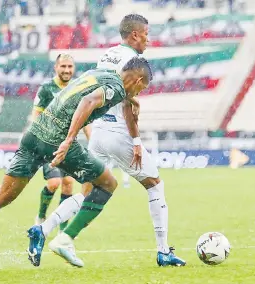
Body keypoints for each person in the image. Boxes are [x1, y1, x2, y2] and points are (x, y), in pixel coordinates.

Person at [0, 56, 152, 277]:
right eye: (142, 88)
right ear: (138, 79)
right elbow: (89, 102)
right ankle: (65, 239)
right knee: (107, 184)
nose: (139, 93)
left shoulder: (101, 74)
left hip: (34, 134)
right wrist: (68, 139)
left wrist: (131, 102)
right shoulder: (117, 88)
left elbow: (88, 94)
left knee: (3, 195)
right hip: (57, 140)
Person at [28, 14, 186, 268]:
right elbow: (127, 102)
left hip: (98, 129)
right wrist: (135, 140)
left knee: (88, 190)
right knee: (155, 185)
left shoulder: (108, 55)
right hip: (118, 133)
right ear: (134, 34)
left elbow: (98, 91)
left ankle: (43, 230)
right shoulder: (135, 62)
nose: (148, 37)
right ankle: (163, 251)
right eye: (146, 32)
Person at [32, 53, 90, 232]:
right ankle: (41, 215)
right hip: (49, 144)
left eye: (69, 67)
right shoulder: (46, 89)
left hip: (69, 145)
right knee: (54, 183)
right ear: (55, 68)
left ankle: (62, 228)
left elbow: (83, 119)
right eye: (63, 66)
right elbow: (36, 115)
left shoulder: (78, 88)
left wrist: (93, 142)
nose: (66, 70)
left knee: (68, 184)